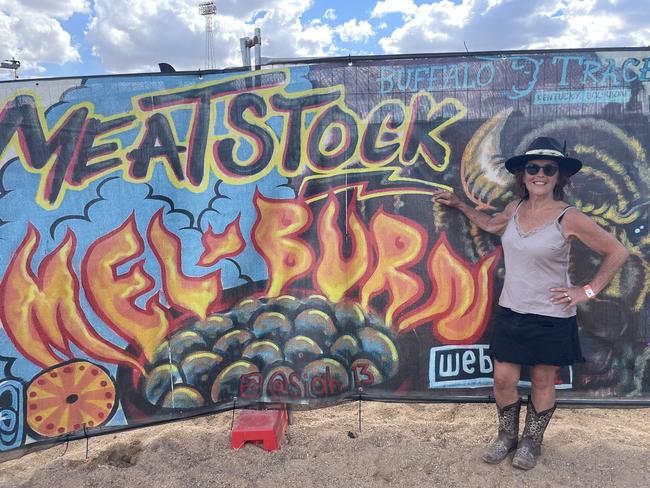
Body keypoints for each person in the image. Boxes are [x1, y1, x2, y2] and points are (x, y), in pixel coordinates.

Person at [432, 136, 630, 470]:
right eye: (533, 168)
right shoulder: (515, 208)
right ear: (522, 175)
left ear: (559, 176)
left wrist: (588, 291)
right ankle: (506, 436)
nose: (540, 174)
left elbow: (617, 252)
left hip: (552, 317)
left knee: (541, 380)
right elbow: (493, 224)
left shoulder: (569, 217)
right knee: (503, 380)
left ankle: (531, 442)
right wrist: (460, 205)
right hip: (512, 311)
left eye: (548, 169)